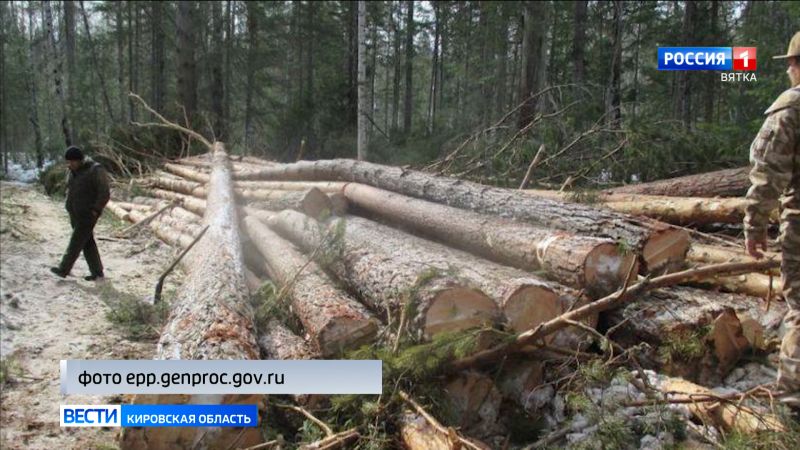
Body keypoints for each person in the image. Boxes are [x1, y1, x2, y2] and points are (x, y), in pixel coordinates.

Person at [744, 31, 800, 405]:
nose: (789, 72)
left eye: (791, 64)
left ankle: (794, 401)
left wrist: (755, 224)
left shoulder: (791, 109)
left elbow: (768, 173)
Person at [50, 146, 110, 281]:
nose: (69, 164)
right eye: (68, 162)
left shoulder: (95, 170)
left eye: (72, 162)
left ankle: (63, 269)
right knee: (87, 242)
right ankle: (97, 272)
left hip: (88, 214)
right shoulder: (72, 171)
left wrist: (96, 209)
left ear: (80, 160)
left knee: (76, 242)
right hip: (75, 212)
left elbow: (104, 192)